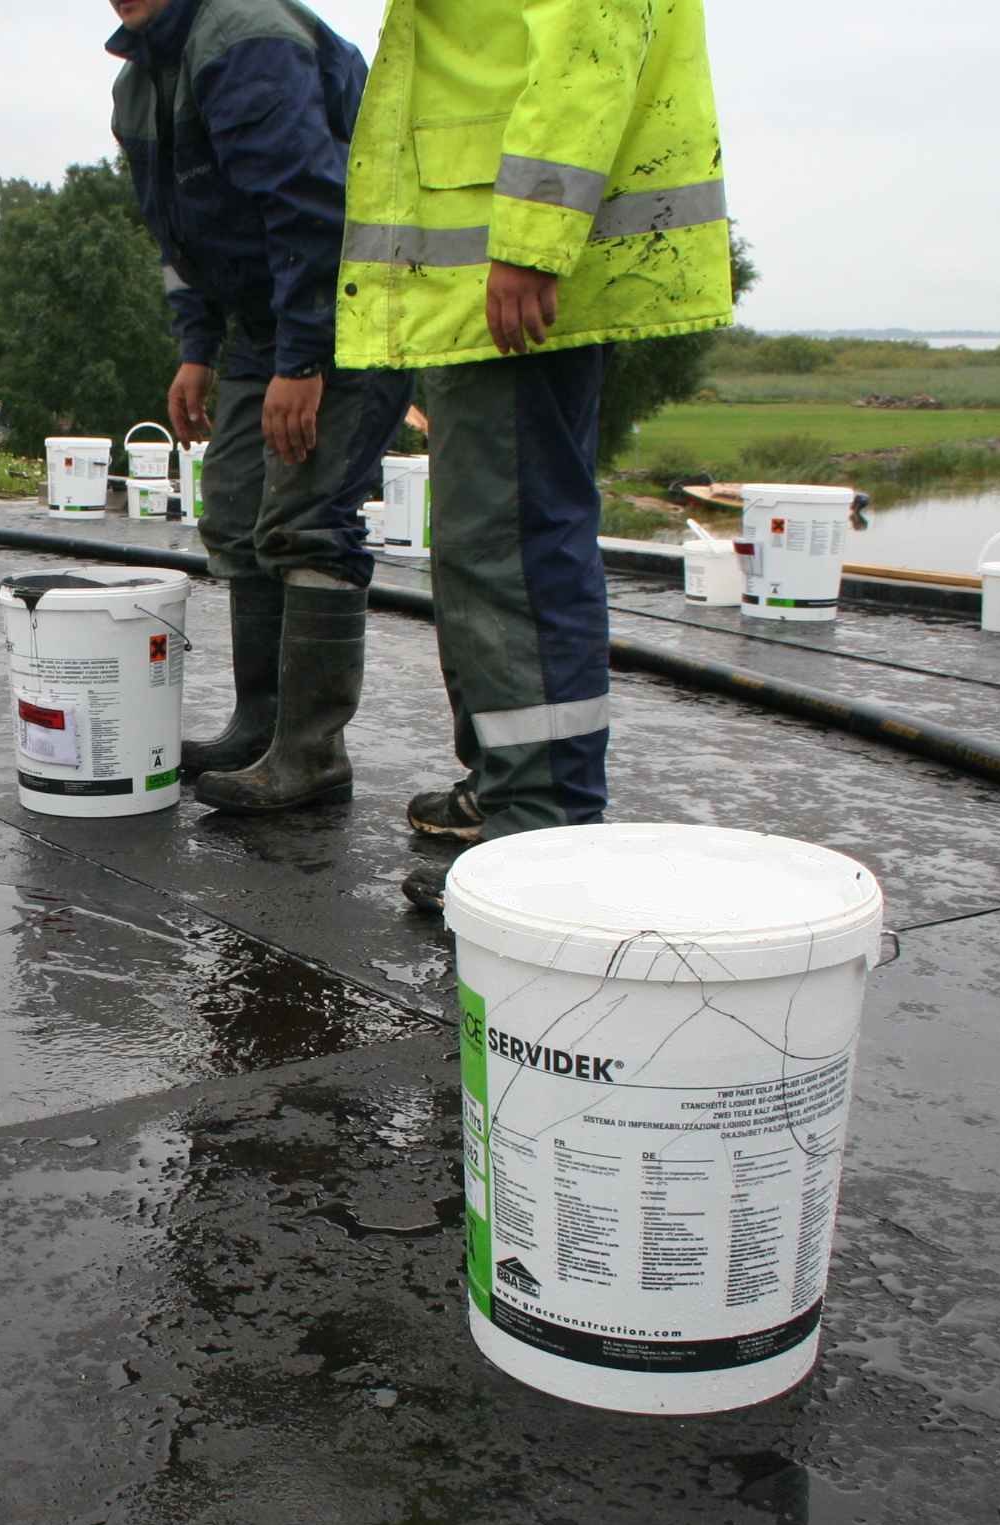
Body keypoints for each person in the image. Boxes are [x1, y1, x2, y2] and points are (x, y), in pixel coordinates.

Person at [332, 0, 731, 909]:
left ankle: (542, 825)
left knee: (512, 542)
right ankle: (508, 786)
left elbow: (590, 40)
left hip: (509, 265)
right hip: (477, 270)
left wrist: (533, 235)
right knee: (483, 544)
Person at [108, 0, 413, 815]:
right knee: (238, 516)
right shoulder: (138, 86)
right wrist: (196, 348)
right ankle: (262, 725)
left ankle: (312, 754)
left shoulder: (245, 36)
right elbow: (177, 238)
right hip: (255, 321)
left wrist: (305, 357)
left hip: (347, 302)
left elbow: (310, 202)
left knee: (305, 519)